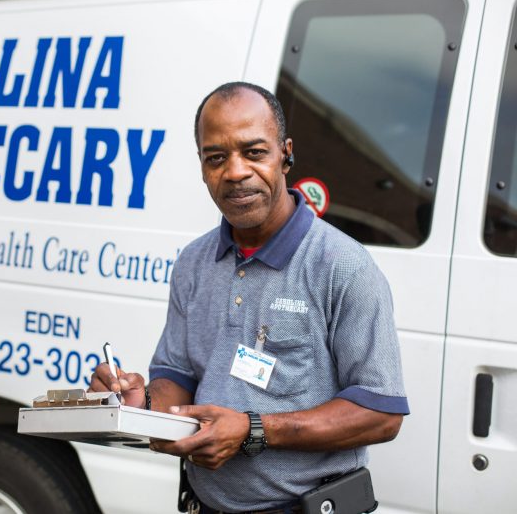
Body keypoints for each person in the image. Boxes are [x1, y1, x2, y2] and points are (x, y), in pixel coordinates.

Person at [90, 82, 409, 514]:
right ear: (202, 167)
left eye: (254, 152)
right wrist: (140, 406)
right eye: (216, 158)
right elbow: (177, 378)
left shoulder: (343, 267)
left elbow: (382, 414)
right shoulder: (193, 262)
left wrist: (252, 429)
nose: (235, 171)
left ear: (285, 155)